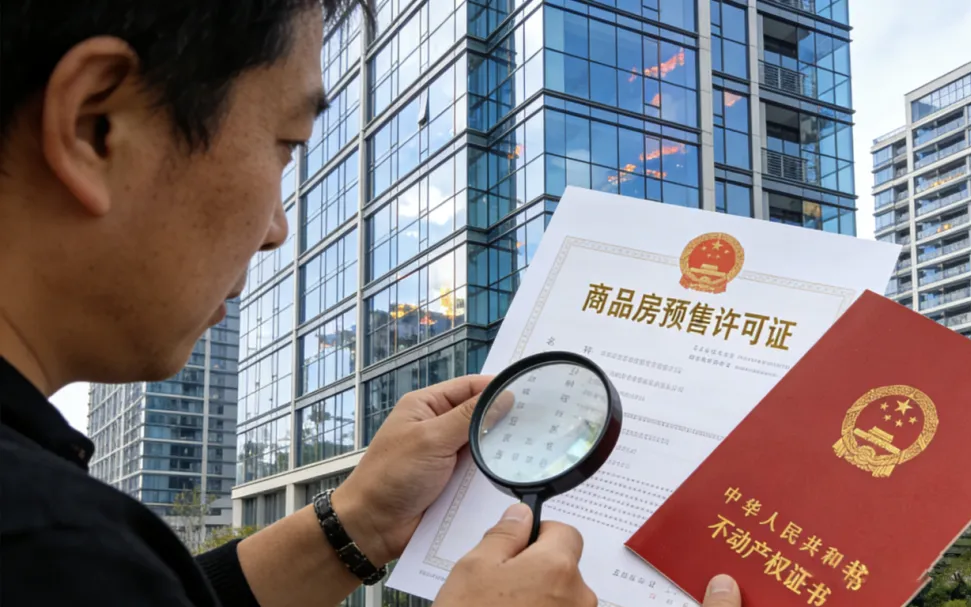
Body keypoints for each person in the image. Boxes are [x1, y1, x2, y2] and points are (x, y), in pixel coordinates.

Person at [0, 1, 742, 606]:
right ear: (96, 124)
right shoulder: (50, 545)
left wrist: (356, 522)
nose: (276, 229)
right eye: (285, 143)